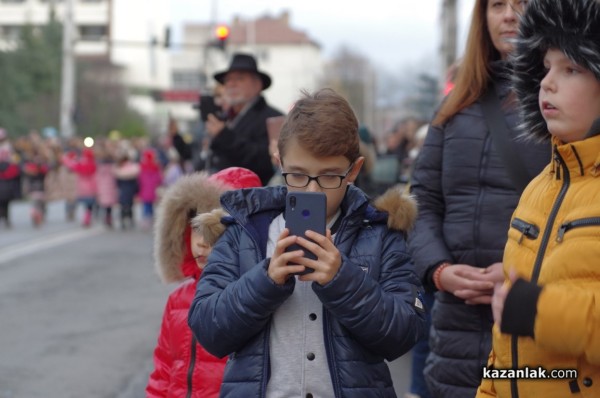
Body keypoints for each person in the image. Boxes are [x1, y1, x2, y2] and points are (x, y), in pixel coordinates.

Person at [188, 88, 426, 398]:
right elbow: (208, 329)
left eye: (329, 177)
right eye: (297, 175)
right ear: (279, 162)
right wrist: (266, 280)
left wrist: (343, 280)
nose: (312, 190)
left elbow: (404, 333)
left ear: (353, 171)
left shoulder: (380, 232)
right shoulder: (245, 230)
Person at [406, 1, 550, 397]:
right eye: (497, 5)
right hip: (454, 325)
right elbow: (421, 202)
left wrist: (520, 268)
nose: (508, 15)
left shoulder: (569, 103)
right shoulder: (455, 106)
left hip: (536, 318)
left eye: (521, 3)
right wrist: (438, 270)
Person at [476, 0, 600, 396]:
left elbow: (521, 308)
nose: (547, 82)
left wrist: (537, 310)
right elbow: (505, 340)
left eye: (571, 68)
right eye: (545, 68)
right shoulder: (538, 188)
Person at [146, 167, 262, 398]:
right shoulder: (178, 300)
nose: (201, 243)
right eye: (196, 229)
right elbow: (164, 371)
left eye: (215, 231)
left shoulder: (257, 297)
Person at [203, 52, 284, 185]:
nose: (231, 84)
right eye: (228, 80)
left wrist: (224, 135)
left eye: (239, 79)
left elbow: (265, 162)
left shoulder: (273, 118)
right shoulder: (225, 117)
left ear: (257, 85)